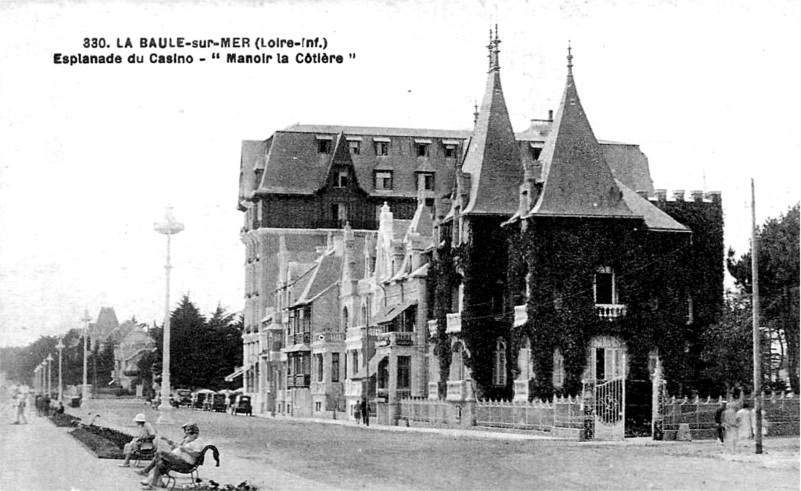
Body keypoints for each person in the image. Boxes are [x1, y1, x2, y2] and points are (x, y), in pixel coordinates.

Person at [138, 422, 205, 489]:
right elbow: (179, 447)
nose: (189, 436)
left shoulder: (198, 442)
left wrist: (185, 450)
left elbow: (197, 455)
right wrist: (169, 442)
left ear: (196, 434)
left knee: (160, 453)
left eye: (191, 434)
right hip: (178, 459)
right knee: (160, 464)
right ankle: (153, 484)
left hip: (185, 463)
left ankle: (146, 471)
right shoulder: (189, 440)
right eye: (188, 434)